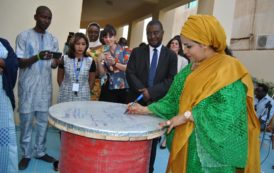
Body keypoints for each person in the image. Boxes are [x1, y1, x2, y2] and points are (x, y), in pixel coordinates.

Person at [127, 15, 260, 173]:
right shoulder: (189, 70)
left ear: (205, 43)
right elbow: (173, 99)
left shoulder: (228, 69)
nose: (185, 51)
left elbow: (227, 114)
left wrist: (187, 116)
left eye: (189, 46)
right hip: (187, 149)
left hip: (212, 157)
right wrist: (145, 109)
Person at [126, 20, 177, 173]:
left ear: (162, 33)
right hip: (137, 102)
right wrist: (143, 90)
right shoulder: (137, 52)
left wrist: (151, 92)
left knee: (152, 141)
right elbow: (130, 72)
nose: (152, 36)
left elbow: (171, 79)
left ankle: (149, 169)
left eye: (156, 33)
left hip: (157, 105)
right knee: (133, 138)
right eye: (149, 33)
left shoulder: (170, 56)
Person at [15, 6, 59, 170]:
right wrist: (38, 56)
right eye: (43, 17)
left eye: (49, 18)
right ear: (35, 17)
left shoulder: (53, 39)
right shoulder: (23, 36)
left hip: (44, 88)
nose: (46, 21)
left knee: (42, 122)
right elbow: (19, 62)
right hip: (27, 87)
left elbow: (54, 64)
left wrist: (55, 62)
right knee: (26, 122)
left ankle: (40, 151)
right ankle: (26, 154)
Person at [160, 35, 189, 149]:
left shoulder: (184, 61)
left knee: (173, 114)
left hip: (176, 91)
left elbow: (183, 77)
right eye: (172, 43)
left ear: (179, 47)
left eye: (176, 44)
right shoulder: (164, 57)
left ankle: (165, 139)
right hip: (164, 88)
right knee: (162, 112)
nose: (174, 45)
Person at [57, 32, 96, 103]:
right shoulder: (64, 59)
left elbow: (92, 81)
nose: (80, 47)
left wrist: (85, 91)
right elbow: (59, 78)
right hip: (65, 95)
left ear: (86, 45)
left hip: (83, 96)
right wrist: (64, 89)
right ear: (73, 44)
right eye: (77, 44)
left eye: (83, 44)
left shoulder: (90, 61)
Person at [98, 24, 131, 104]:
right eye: (105, 37)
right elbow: (102, 73)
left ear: (115, 37)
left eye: (110, 36)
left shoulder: (125, 50)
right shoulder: (103, 51)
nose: (108, 39)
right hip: (108, 87)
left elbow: (128, 68)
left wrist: (114, 63)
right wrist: (99, 61)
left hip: (123, 88)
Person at [0, 38, 18, 173]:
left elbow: (13, 63)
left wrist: (2, 63)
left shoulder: (4, 43)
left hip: (2, 96)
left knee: (4, 135)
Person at [86, 22, 103, 100]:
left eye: (96, 32)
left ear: (99, 33)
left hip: (96, 84)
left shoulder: (103, 48)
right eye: (90, 32)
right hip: (82, 81)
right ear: (87, 32)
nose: (93, 34)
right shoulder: (82, 45)